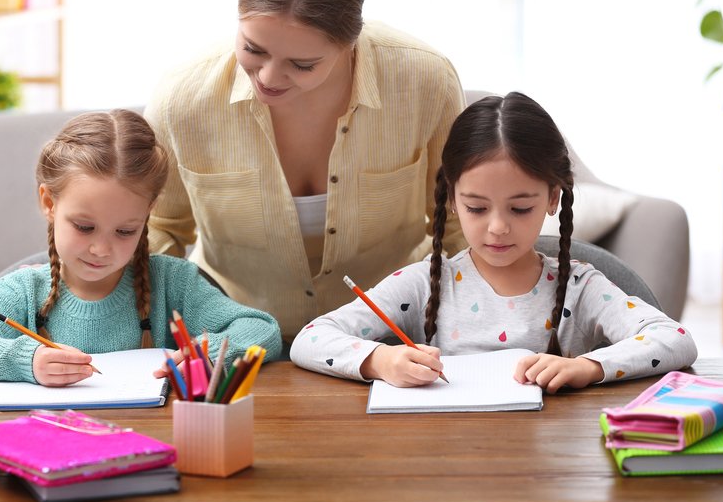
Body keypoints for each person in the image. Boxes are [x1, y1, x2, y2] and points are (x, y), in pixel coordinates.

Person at [146, 0, 467, 342]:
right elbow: (159, 230)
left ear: (351, 42)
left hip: (394, 342)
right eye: (253, 49)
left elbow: (459, 225)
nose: (268, 77)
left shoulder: (426, 82)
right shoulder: (182, 99)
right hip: (233, 347)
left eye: (302, 64)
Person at [290, 92, 697, 393]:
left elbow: (675, 340)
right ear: (452, 199)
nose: (498, 227)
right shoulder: (422, 283)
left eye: (519, 209)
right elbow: (310, 339)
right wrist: (379, 359)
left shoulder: (580, 287)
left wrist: (589, 366)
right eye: (477, 208)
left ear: (553, 198)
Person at [0, 110, 281, 386]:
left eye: (125, 231)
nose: (101, 249)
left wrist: (206, 354)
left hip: (156, 442)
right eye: (84, 227)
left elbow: (261, 329)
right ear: (49, 203)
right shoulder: (24, 291)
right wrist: (27, 361)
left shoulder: (174, 284)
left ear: (148, 214)